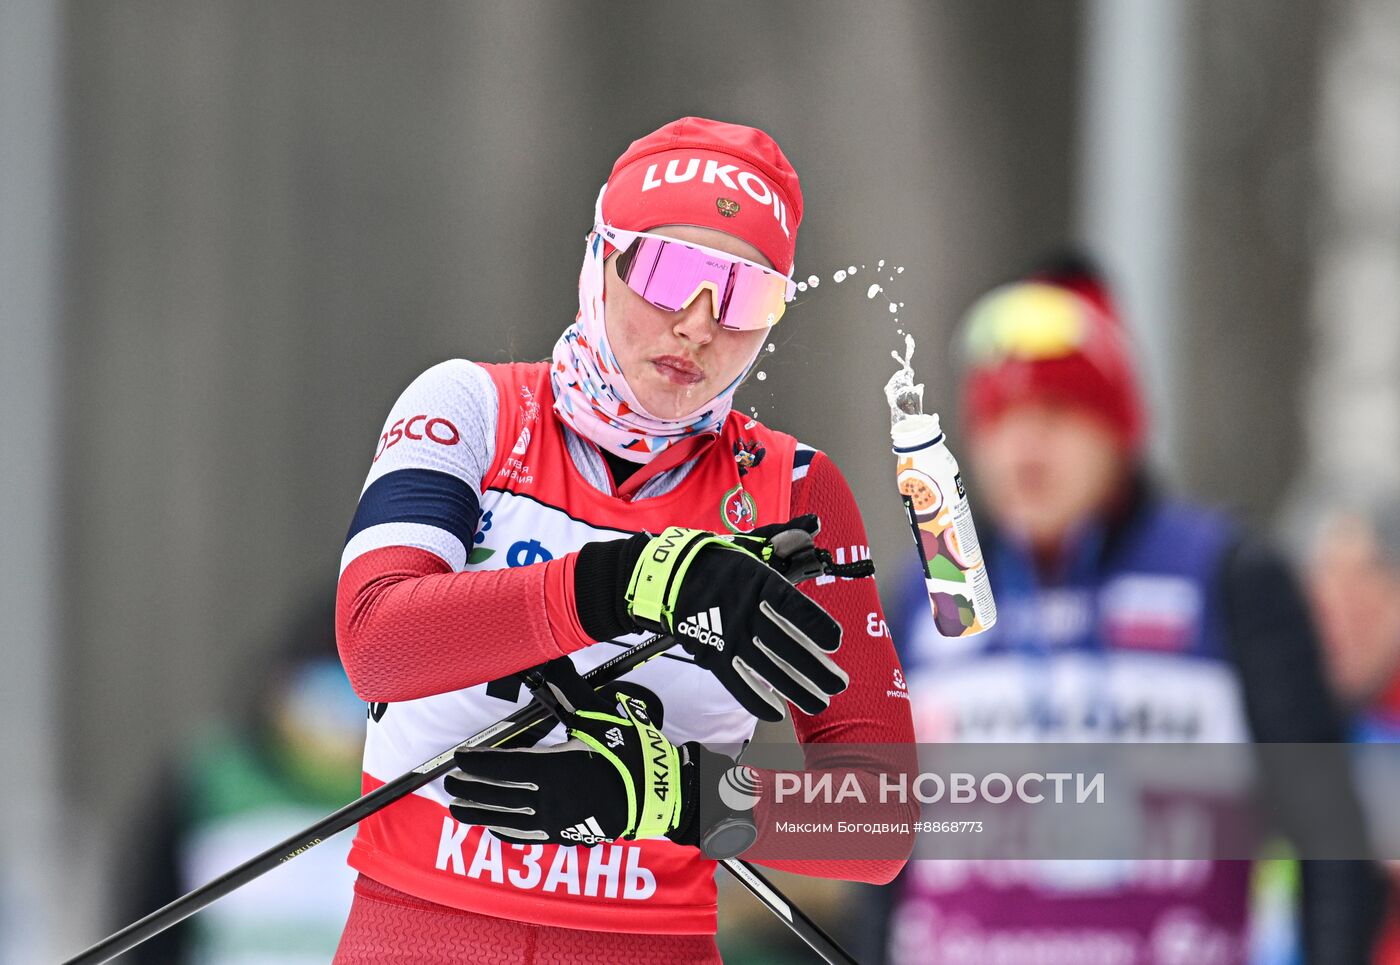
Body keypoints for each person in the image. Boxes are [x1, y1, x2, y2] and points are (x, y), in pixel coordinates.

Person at [332, 117, 915, 963]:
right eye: (670, 269)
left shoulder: (792, 491)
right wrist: (629, 583)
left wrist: (677, 794)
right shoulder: (473, 410)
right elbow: (376, 641)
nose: (698, 325)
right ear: (600, 259)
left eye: (747, 294)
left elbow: (881, 819)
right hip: (418, 929)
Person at [882, 254, 1383, 965]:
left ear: (1117, 431)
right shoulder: (921, 593)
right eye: (999, 421)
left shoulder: (1228, 575)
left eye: (1054, 417)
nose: (1023, 452)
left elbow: (1333, 842)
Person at [123, 602, 364, 964]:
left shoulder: (416, 791)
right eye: (320, 688)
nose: (334, 718)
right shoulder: (209, 783)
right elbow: (149, 930)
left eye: (350, 693)